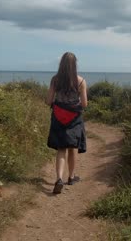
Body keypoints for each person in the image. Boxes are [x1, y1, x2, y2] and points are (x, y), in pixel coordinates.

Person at [45, 52, 88, 194]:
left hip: (58, 117)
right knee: (73, 147)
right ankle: (71, 177)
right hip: (74, 118)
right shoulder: (81, 81)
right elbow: (85, 104)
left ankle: (59, 179)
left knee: (61, 149)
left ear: (61, 64)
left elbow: (48, 101)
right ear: (75, 64)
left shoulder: (55, 80)